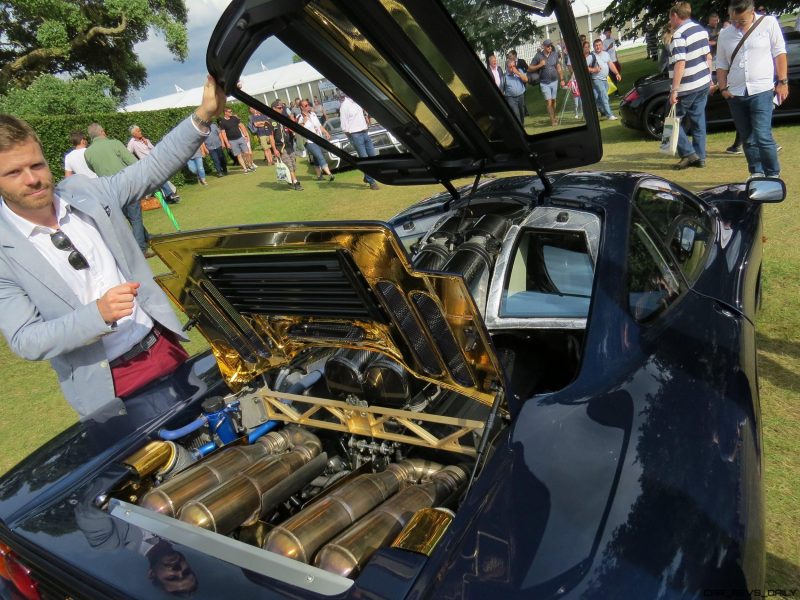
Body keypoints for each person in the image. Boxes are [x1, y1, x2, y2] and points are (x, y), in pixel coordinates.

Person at [0, 76, 226, 421]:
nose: (32, 179)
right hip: (110, 385)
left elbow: (150, 169)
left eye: (37, 165)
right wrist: (97, 315)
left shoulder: (85, 193)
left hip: (162, 347)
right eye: (14, 172)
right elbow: (25, 339)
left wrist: (204, 115)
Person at [717, 0, 787, 178]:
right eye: (734, 21)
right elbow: (721, 64)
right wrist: (723, 88)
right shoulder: (725, 34)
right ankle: (756, 172)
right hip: (736, 92)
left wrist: (782, 81)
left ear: (752, 12)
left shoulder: (768, 23)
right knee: (747, 137)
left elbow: (779, 52)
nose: (737, 25)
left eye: (742, 21)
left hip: (762, 89)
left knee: (762, 135)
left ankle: (772, 174)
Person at [84, 123, 153, 257]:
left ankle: (146, 237)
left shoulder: (88, 152)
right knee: (135, 217)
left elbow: (92, 168)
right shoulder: (114, 143)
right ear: (103, 132)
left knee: (130, 217)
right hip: (125, 185)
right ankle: (141, 249)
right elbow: (133, 162)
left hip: (108, 190)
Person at [667, 1, 713, 170]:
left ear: (675, 15)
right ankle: (700, 157)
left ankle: (688, 154)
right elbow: (708, 57)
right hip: (702, 82)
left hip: (687, 86)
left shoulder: (679, 35)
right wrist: (710, 78)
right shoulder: (701, 30)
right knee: (698, 120)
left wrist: (674, 89)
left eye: (670, 18)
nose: (670, 22)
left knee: (671, 120)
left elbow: (680, 63)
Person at [126, 125, 181, 203]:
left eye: (140, 130)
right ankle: (170, 194)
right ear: (134, 134)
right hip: (146, 165)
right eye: (138, 131)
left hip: (155, 161)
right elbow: (127, 154)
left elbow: (154, 149)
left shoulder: (145, 140)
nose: (140, 132)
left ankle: (166, 195)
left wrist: (147, 143)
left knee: (159, 179)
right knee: (159, 178)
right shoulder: (132, 143)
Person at [339, 95, 381, 190]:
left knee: (373, 157)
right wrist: (352, 138)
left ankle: (367, 177)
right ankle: (372, 182)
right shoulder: (344, 106)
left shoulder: (358, 101)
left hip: (365, 132)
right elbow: (344, 125)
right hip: (355, 135)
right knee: (365, 159)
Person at [297, 99, 335, 181]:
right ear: (301, 107)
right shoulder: (300, 117)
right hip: (309, 141)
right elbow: (298, 129)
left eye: (308, 104)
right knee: (319, 156)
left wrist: (326, 132)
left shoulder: (313, 114)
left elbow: (319, 126)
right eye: (306, 105)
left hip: (318, 138)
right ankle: (330, 174)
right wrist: (304, 122)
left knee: (316, 157)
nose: (308, 106)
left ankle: (319, 176)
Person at [529, 39, 565, 127]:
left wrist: (562, 79)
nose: (550, 47)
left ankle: (554, 116)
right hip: (544, 83)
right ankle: (553, 121)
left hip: (554, 81)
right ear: (544, 46)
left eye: (550, 45)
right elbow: (529, 68)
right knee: (549, 102)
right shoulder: (538, 56)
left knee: (554, 101)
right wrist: (540, 65)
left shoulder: (554, 54)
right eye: (548, 46)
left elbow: (558, 67)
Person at [270, 100, 302, 191]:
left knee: (293, 164)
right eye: (279, 108)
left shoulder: (284, 118)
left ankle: (292, 181)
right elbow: (271, 137)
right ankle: (295, 182)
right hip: (280, 147)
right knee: (289, 165)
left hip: (289, 144)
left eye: (282, 108)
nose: (281, 109)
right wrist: (274, 150)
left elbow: (289, 129)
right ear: (274, 109)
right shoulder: (270, 121)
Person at [590, 38, 621, 120]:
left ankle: (602, 111)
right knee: (604, 96)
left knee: (598, 98)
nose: (598, 47)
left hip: (605, 79)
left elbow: (610, 64)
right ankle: (609, 115)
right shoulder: (591, 56)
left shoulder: (606, 54)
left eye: (599, 45)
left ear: (602, 45)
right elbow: (586, 67)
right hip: (596, 79)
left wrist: (617, 73)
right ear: (593, 47)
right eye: (596, 45)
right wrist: (593, 70)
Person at [218, 107, 256, 173]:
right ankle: (245, 169)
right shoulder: (222, 122)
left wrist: (245, 135)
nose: (231, 113)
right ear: (225, 113)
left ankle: (249, 165)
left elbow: (241, 126)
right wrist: (227, 143)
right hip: (232, 141)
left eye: (231, 111)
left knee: (247, 153)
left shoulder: (234, 118)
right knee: (239, 155)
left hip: (240, 138)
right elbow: (223, 133)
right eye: (230, 112)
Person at [502, 52, 529, 124]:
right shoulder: (504, 77)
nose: (512, 68)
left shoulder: (518, 71)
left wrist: (518, 73)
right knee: (516, 114)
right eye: (510, 67)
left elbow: (526, 79)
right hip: (511, 98)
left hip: (521, 96)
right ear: (507, 67)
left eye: (513, 66)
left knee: (522, 113)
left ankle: (522, 126)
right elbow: (501, 89)